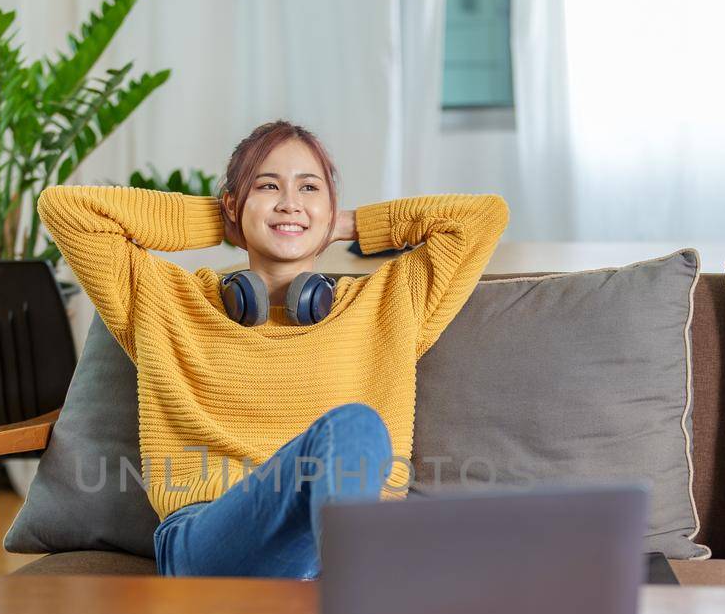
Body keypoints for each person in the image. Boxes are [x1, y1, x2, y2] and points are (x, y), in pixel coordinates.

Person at [37, 118, 509, 578]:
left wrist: (350, 224)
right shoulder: (165, 300)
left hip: (332, 543)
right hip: (210, 537)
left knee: (355, 428)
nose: (289, 204)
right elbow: (66, 209)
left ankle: (342, 583)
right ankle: (356, 597)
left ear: (332, 206)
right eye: (266, 187)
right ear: (234, 205)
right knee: (351, 432)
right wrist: (223, 220)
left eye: (309, 189)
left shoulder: (389, 302)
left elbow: (483, 218)